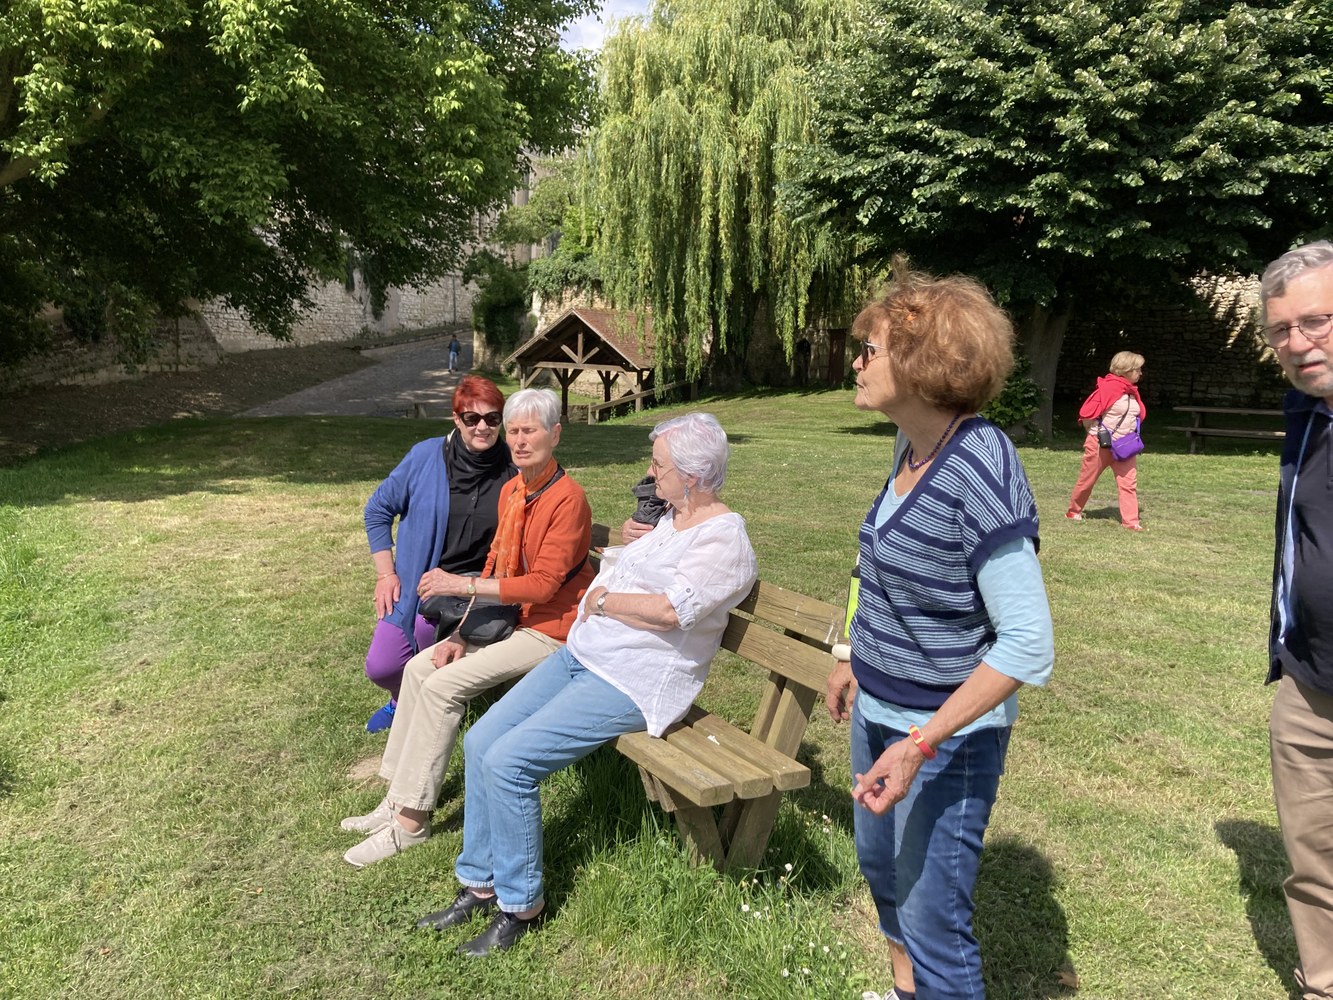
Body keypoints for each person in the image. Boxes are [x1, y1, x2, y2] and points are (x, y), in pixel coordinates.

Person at [414, 413, 756, 957]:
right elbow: (631, 570)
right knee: (481, 743)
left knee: (510, 762)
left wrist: (602, 601)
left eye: (659, 466)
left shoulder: (723, 540)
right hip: (584, 656)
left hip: (633, 680)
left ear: (692, 476)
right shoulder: (673, 520)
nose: (651, 473)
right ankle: (480, 883)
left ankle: (521, 906)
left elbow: (672, 611)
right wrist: (629, 551)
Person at [825, 259, 1054, 1000]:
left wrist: (921, 744)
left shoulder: (979, 465)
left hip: (944, 737)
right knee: (881, 872)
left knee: (932, 920)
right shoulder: (910, 449)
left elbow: (1028, 643)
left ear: (922, 366)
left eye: (869, 350)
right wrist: (850, 653)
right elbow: (873, 563)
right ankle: (906, 991)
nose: (856, 362)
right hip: (877, 709)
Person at [342, 388, 595, 865]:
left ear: (555, 434)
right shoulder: (514, 491)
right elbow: (497, 563)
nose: (519, 441)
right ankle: (395, 799)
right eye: (513, 431)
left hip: (551, 631)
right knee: (419, 669)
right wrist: (461, 633)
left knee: (443, 688)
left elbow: (543, 587)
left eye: (529, 431)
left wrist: (462, 585)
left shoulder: (568, 499)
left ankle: (411, 823)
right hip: (511, 620)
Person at [361, 375, 514, 733]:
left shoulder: (514, 466)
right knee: (382, 667)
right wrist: (386, 574)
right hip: (419, 582)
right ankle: (400, 699)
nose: (482, 427)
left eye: (492, 418)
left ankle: (431, 707)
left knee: (427, 644)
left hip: (479, 589)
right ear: (456, 418)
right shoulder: (425, 456)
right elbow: (377, 510)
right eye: (471, 418)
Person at [1261, 239, 1333, 1000]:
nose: (1298, 342)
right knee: (1314, 861)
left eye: (1316, 321)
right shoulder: (1309, 416)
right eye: (1282, 329)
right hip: (1311, 683)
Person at [1066, 351, 1147, 531]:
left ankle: (1131, 522)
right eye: (1137, 369)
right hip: (1100, 445)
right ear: (1126, 370)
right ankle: (1073, 510)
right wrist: (1096, 434)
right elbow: (1086, 415)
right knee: (1087, 480)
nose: (1140, 373)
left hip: (1125, 446)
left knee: (1128, 484)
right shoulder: (1108, 388)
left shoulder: (1132, 392)